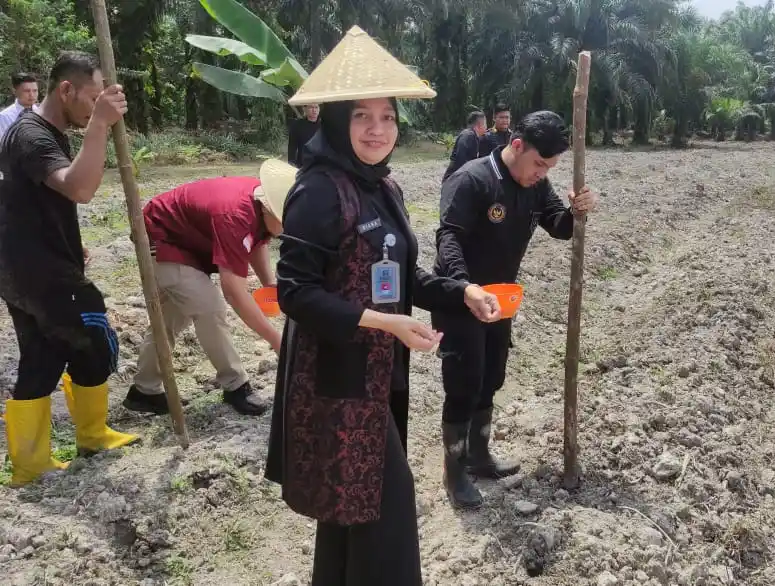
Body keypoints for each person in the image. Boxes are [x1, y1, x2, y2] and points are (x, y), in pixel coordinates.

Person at [263, 26, 502, 586]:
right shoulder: (318, 190)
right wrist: (379, 321)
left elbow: (396, 279)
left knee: (353, 509)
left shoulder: (380, 187)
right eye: (362, 117)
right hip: (336, 378)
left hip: (377, 373)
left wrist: (460, 291)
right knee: (384, 502)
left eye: (388, 116)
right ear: (339, 121)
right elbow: (294, 293)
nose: (378, 129)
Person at [433, 110, 600, 509]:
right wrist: (466, 287)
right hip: (462, 299)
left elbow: (558, 225)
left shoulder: (535, 187)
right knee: (464, 381)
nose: (543, 173)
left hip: (502, 300)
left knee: (492, 376)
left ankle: (479, 454)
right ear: (517, 146)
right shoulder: (472, 179)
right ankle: (454, 473)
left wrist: (579, 212)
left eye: (550, 167)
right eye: (540, 163)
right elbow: (448, 238)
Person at [0, 52, 137, 486]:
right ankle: (93, 436)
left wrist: (69, 244)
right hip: (39, 271)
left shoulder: (47, 133)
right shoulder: (32, 135)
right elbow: (80, 189)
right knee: (96, 341)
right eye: (91, 98)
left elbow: (48, 200)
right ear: (66, 90)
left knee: (41, 356)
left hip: (23, 265)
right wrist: (99, 125)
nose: (95, 107)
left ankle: (29, 463)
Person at [121, 166, 293, 417]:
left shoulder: (262, 201)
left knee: (169, 317)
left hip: (186, 237)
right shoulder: (235, 215)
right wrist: (276, 340)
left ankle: (144, 390)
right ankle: (235, 385)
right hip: (163, 236)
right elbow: (234, 291)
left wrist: (268, 282)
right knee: (209, 308)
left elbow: (255, 239)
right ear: (269, 208)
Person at [442, 110, 487, 181]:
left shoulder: (473, 136)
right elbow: (461, 159)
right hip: (454, 179)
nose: (486, 127)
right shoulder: (468, 136)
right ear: (479, 125)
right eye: (485, 124)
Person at [0, 72, 41, 139]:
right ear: (15, 91)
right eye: (27, 91)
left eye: (35, 91)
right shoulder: (4, 116)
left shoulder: (42, 113)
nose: (32, 95)